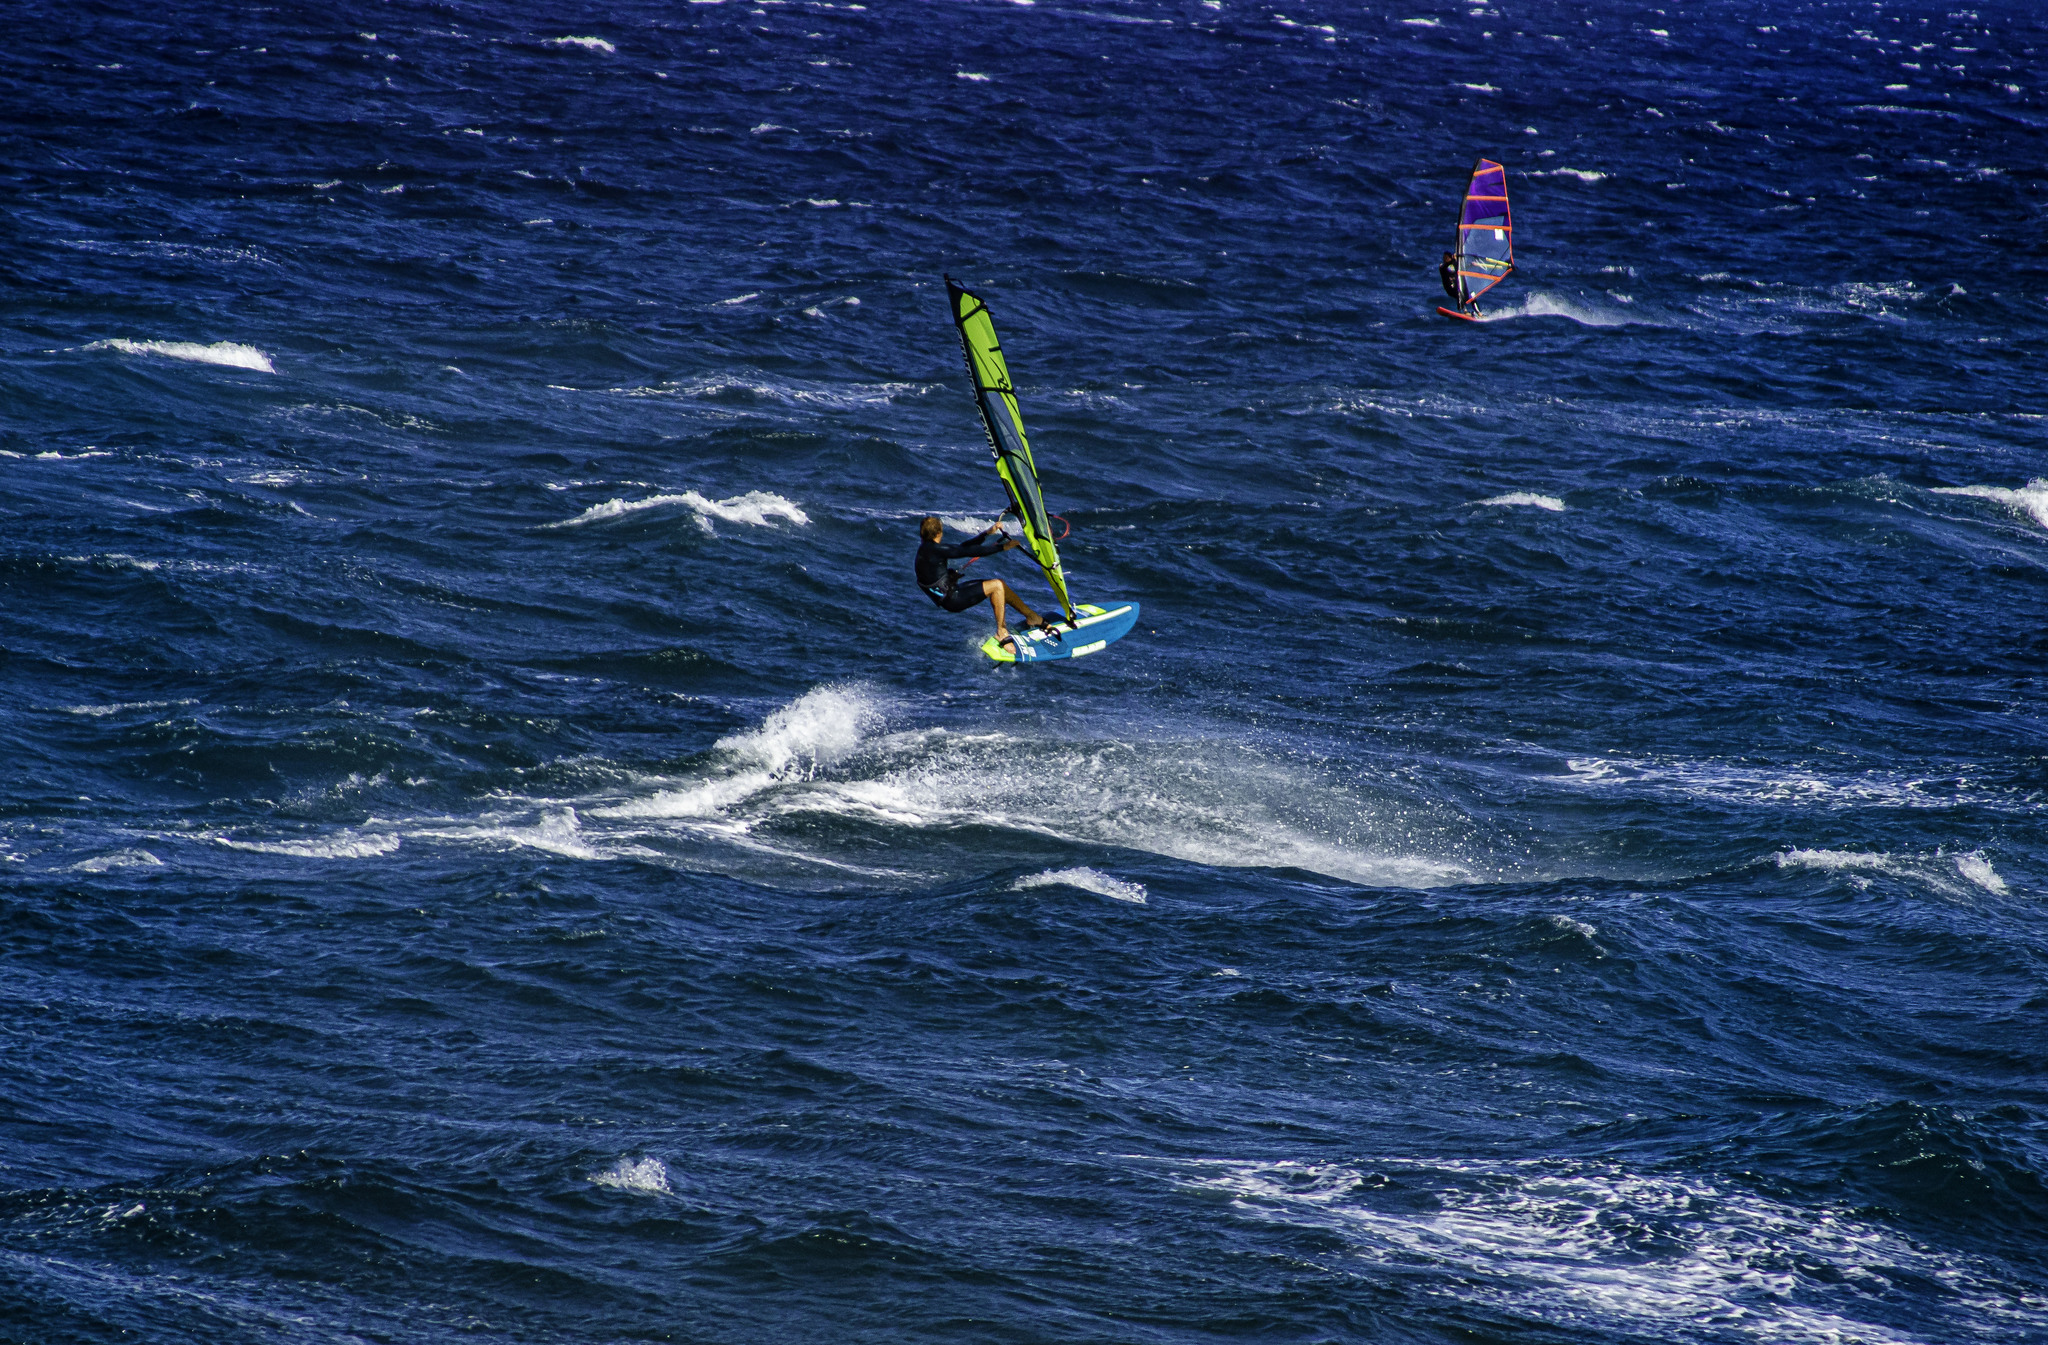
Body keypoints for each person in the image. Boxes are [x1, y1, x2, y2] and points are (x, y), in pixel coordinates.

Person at [915, 516, 1062, 653]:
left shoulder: (926, 550)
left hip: (949, 594)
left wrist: (986, 534)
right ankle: (1001, 632)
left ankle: (1032, 617)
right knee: (996, 586)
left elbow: (962, 547)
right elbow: (968, 551)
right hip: (953, 598)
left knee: (1001, 586)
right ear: (939, 532)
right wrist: (1001, 547)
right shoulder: (935, 549)